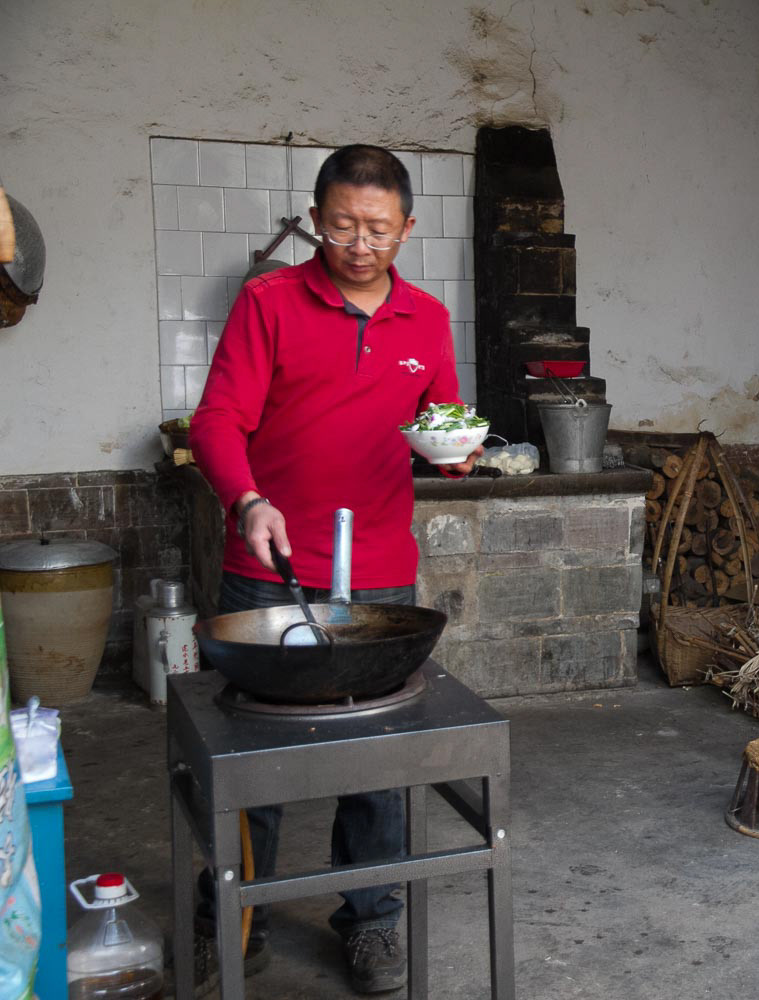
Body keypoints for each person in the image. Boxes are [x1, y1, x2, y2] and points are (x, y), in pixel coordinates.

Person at [186, 144, 480, 996]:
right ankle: (231, 917)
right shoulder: (269, 302)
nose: (360, 244)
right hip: (269, 568)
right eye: (344, 225)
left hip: (380, 573)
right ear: (316, 220)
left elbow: (443, 418)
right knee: (256, 759)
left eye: (380, 229)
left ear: (408, 229)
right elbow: (217, 422)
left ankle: (374, 921)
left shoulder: (425, 318)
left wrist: (457, 452)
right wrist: (246, 501)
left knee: (376, 761)